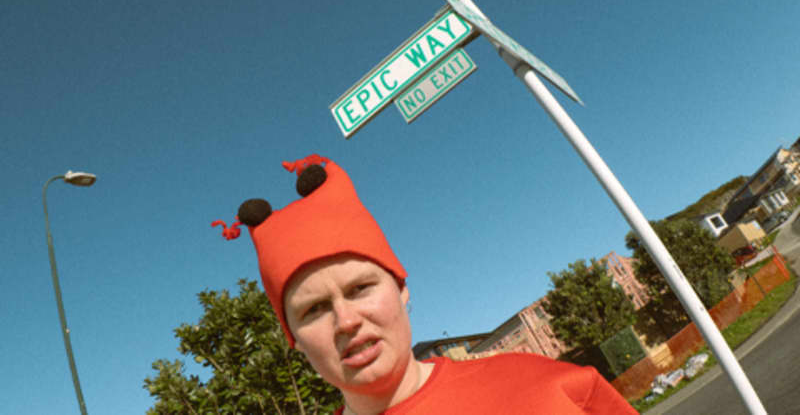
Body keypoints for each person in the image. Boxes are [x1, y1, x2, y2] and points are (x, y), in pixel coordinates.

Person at [215, 154, 637, 414]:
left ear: (401, 290)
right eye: (314, 309)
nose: (345, 320)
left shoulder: (549, 389)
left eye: (361, 288)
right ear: (294, 340)